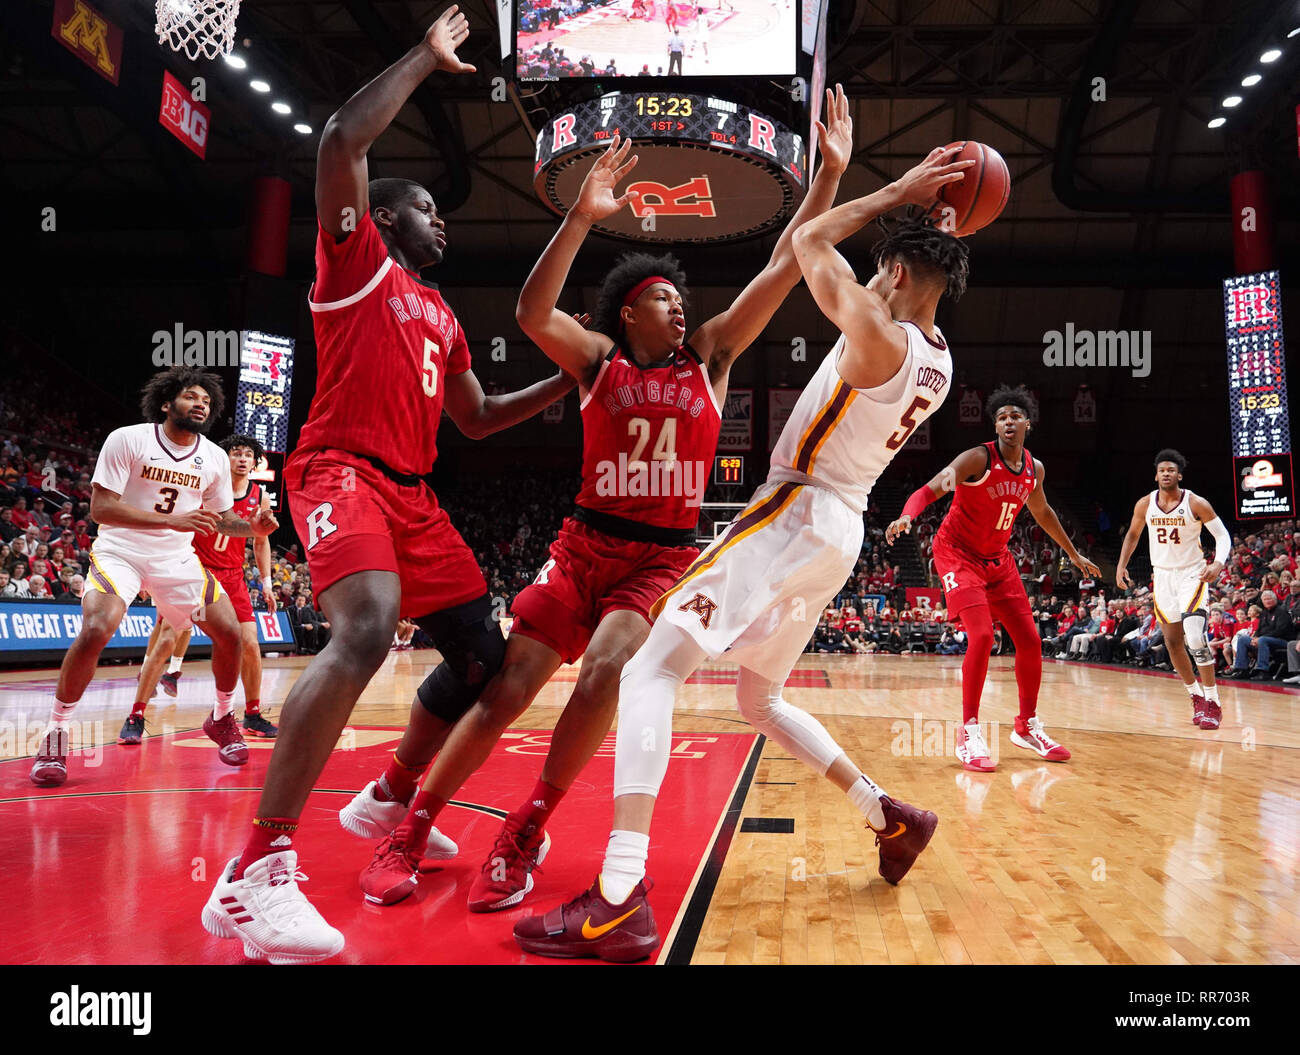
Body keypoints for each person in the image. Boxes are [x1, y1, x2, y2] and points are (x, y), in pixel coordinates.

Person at [355, 90, 855, 910]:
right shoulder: (596, 361)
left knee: (613, 668)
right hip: (584, 546)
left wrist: (827, 177)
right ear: (631, 310)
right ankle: (408, 830)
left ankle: (526, 826)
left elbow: (786, 264)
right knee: (509, 685)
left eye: (682, 301)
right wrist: (583, 215)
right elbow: (529, 312)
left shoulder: (711, 356)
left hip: (657, 559)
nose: (680, 306)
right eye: (665, 298)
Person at [514, 146, 976, 961]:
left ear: (898, 277)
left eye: (878, 276)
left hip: (796, 507)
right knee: (757, 701)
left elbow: (807, 246)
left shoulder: (876, 331)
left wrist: (892, 193)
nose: (866, 284)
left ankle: (619, 894)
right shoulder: (941, 359)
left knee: (647, 669)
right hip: (840, 530)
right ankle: (886, 813)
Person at [201, 6, 577, 965]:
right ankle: (256, 872)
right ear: (386, 215)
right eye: (429, 210)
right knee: (366, 627)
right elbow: (340, 137)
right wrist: (424, 58)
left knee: (485, 660)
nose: (441, 220)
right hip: (341, 469)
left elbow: (477, 418)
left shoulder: (443, 314)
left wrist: (563, 381)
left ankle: (390, 796)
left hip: (413, 492)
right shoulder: (354, 257)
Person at [29, 366, 277, 787]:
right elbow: (102, 509)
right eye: (191, 397)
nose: (200, 404)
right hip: (121, 550)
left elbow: (221, 520)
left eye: (206, 401)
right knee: (96, 629)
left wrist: (252, 528)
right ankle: (56, 733)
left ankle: (220, 717)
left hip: (175, 560)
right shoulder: (128, 439)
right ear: (166, 403)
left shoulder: (214, 457)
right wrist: (175, 520)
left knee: (231, 633)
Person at [887, 385, 1097, 771]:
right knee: (982, 635)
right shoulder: (977, 458)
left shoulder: (1034, 469)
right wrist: (907, 515)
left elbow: (1044, 512)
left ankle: (1026, 726)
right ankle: (968, 731)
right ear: (995, 426)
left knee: (1031, 641)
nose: (1008, 422)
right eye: (1001, 417)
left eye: (1015, 416)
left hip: (998, 561)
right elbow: (930, 488)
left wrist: (1072, 552)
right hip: (956, 554)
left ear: (1028, 423)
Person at [118, 435, 281, 745]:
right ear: (225, 458)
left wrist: (267, 582)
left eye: (248, 454)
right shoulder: (205, 487)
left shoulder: (259, 496)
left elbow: (261, 541)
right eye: (236, 453)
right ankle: (135, 715)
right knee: (168, 637)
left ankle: (252, 713)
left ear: (255, 462)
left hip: (233, 576)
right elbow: (172, 521)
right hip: (195, 569)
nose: (242, 459)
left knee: (249, 643)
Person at [1115, 449, 1231, 728]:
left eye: (1171, 470)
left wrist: (1217, 563)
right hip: (1163, 577)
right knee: (1173, 642)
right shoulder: (1145, 504)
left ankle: (1213, 702)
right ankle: (1196, 696)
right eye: (1161, 469)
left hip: (1192, 574)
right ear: (1156, 475)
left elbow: (1222, 535)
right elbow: (1132, 535)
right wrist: (1121, 565)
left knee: (1194, 636)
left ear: (1179, 475)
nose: (1166, 473)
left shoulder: (1196, 503)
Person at [1222, 588, 1293, 680]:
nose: (1267, 601)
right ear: (1262, 601)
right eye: (1265, 599)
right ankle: (1242, 669)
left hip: (1283, 640)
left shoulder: (1282, 611)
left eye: (1269, 599)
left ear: (1275, 600)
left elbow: (1280, 630)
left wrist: (1261, 638)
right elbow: (1259, 629)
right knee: (1243, 639)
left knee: (1263, 640)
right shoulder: (1264, 613)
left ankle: (1263, 671)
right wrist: (1255, 638)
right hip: (1265, 639)